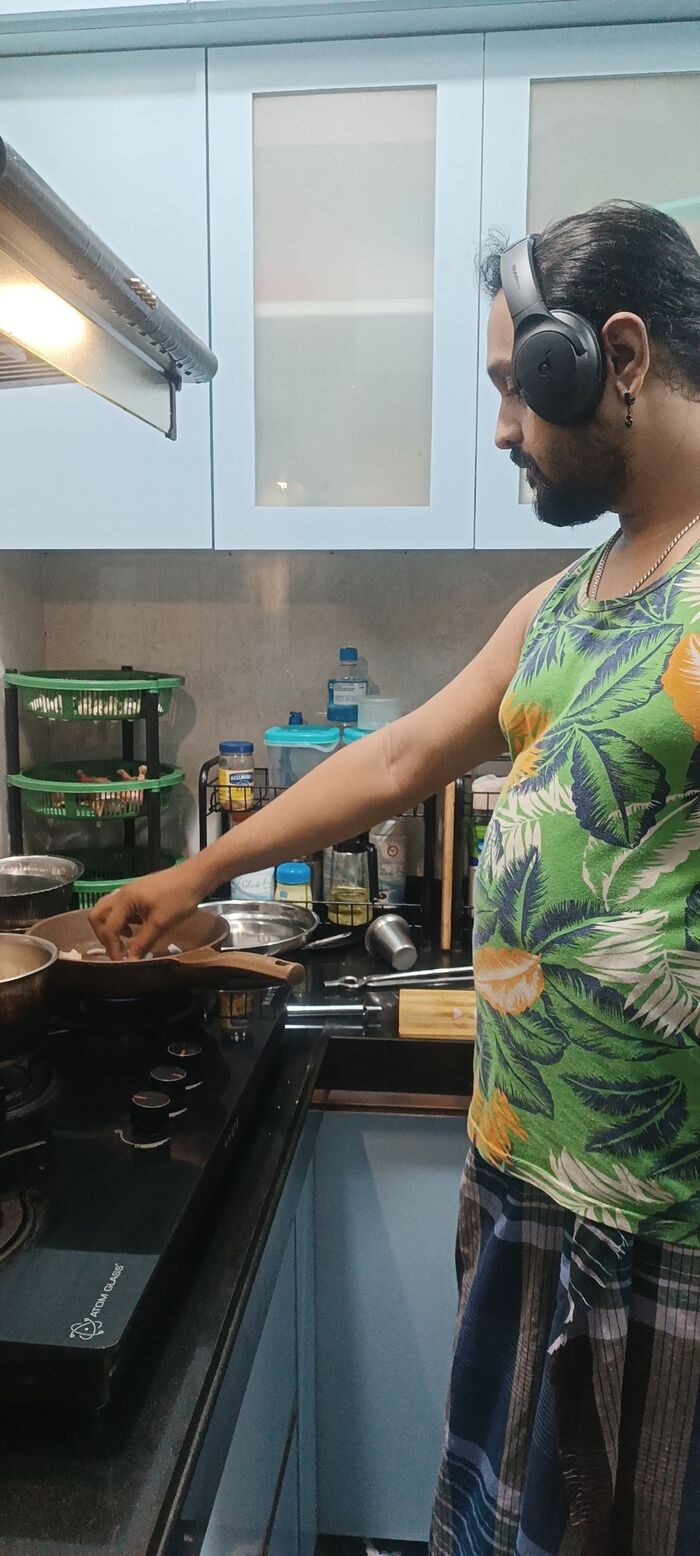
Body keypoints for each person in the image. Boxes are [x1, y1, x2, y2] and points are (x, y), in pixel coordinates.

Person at [91, 202, 700, 1554]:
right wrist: (197, 869)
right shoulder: (568, 601)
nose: (502, 429)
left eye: (512, 387)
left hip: (667, 1231)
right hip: (525, 1187)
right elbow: (401, 756)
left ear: (617, 357)